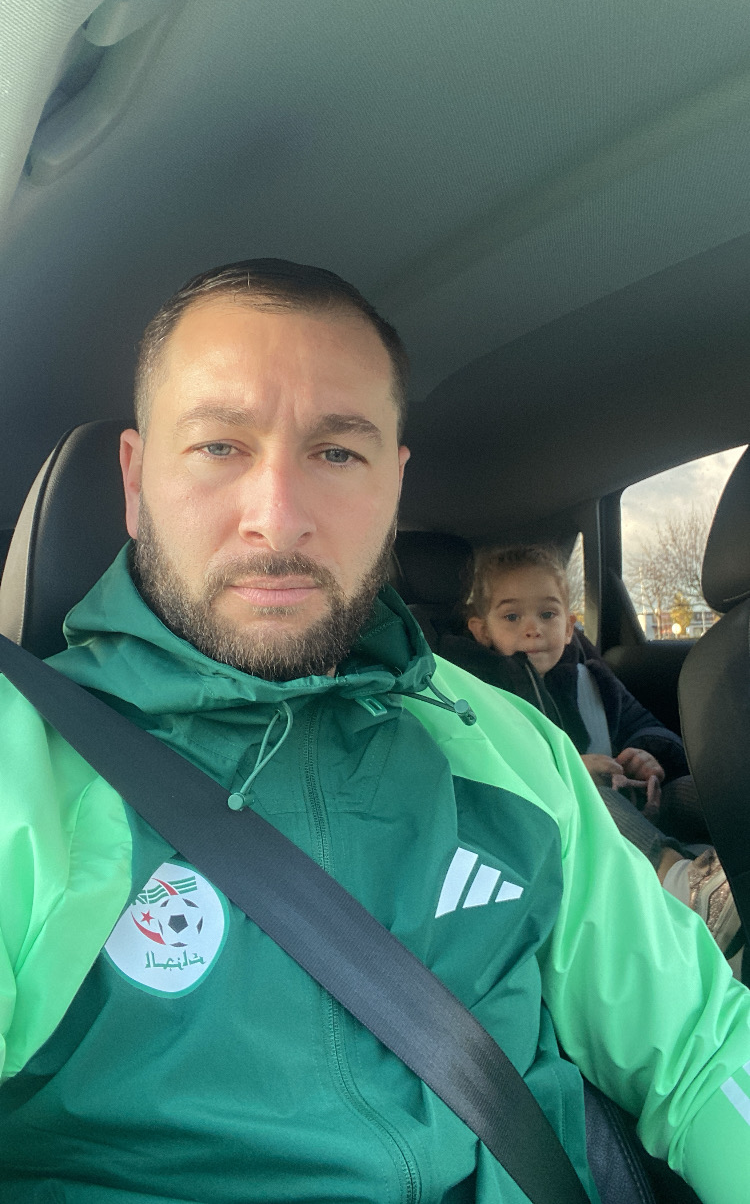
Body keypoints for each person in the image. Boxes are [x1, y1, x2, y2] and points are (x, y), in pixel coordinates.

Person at [0, 259, 749, 1204]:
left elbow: (700, 1050)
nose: (278, 518)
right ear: (136, 479)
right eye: (219, 446)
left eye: (337, 454)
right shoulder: (23, 764)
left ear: (394, 482)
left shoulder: (505, 745)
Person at [458, 543, 743, 967]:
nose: (533, 629)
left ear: (569, 628)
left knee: (691, 787)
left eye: (548, 614)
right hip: (567, 832)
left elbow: (645, 724)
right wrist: (572, 768)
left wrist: (645, 753)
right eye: (512, 617)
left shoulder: (594, 681)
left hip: (636, 803)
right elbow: (490, 768)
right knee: (589, 798)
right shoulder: (481, 693)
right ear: (482, 631)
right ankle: (687, 890)